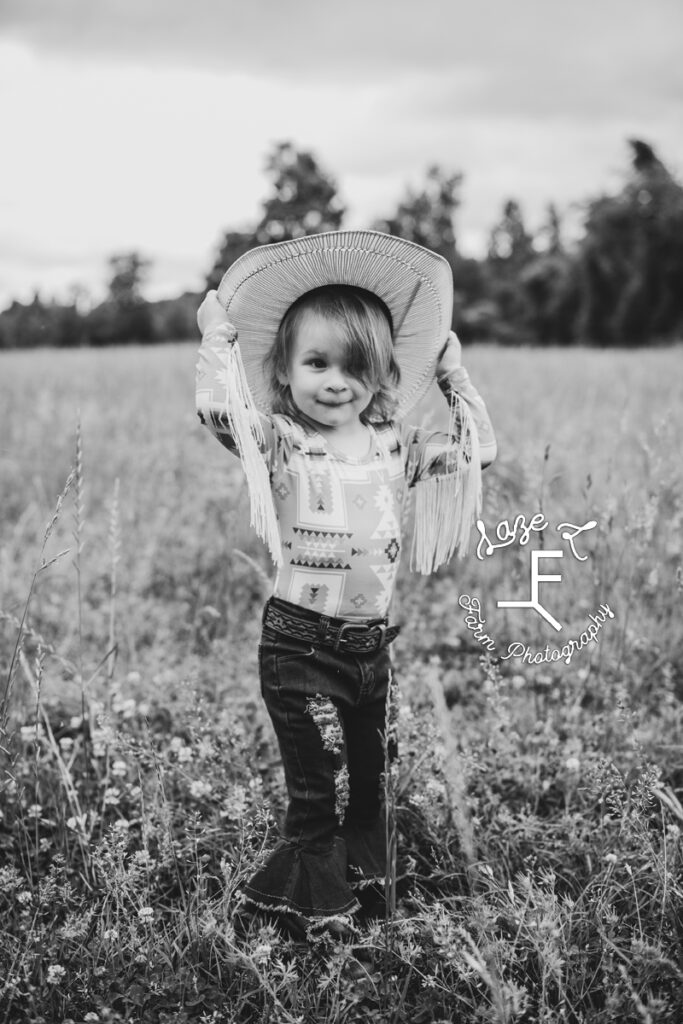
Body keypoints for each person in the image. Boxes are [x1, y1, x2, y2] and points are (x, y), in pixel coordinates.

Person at [195, 230, 496, 938]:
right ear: (285, 367)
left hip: (370, 648)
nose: (336, 381)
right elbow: (218, 412)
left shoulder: (397, 446)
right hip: (299, 646)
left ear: (384, 370)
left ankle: (365, 885)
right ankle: (311, 914)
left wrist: (453, 376)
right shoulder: (284, 441)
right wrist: (217, 343)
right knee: (317, 788)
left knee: (370, 784)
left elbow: (480, 451)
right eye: (317, 363)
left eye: (356, 366)